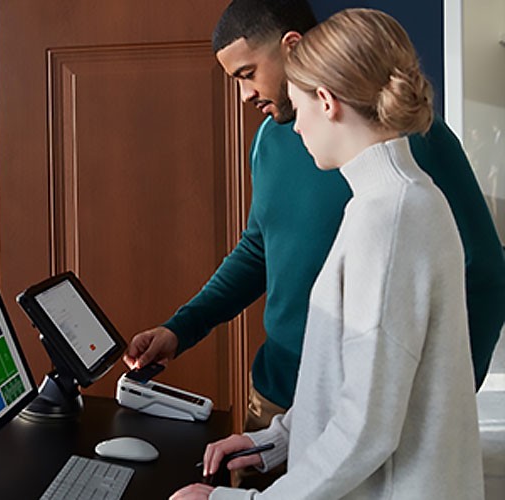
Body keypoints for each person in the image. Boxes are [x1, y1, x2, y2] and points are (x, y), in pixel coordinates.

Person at [124, 0, 505, 456]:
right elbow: (258, 249)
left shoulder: (415, 141)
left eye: (247, 74)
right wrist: (181, 328)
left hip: (370, 411)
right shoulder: (270, 138)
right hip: (275, 398)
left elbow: (485, 270)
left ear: (291, 47)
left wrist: (445, 397)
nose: (244, 95)